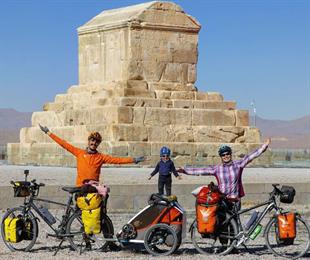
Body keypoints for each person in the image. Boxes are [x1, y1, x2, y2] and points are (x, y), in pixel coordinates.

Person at [178, 138, 271, 209]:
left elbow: (251, 156)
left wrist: (264, 146)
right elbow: (200, 171)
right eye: (223, 154)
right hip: (222, 201)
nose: (226, 156)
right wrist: (185, 170)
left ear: (230, 154)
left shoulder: (238, 165)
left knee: (235, 227)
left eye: (227, 154)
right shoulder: (217, 169)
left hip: (235, 201)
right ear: (221, 157)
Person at [39, 124, 144, 187]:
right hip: (80, 187)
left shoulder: (101, 157)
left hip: (93, 187)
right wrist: (48, 133)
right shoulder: (79, 153)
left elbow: (117, 160)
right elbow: (64, 144)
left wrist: (134, 160)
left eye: (96, 142)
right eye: (92, 141)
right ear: (89, 141)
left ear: (98, 144)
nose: (94, 144)